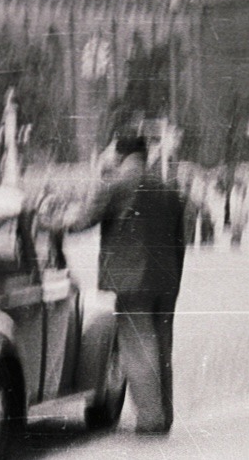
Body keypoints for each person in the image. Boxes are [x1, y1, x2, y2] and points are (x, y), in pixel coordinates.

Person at [49, 135, 187, 435]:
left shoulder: (116, 183)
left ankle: (150, 420)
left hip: (132, 279)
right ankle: (164, 416)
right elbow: (180, 238)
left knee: (138, 347)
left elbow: (82, 221)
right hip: (166, 278)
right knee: (162, 344)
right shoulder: (166, 188)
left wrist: (52, 222)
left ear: (119, 153)